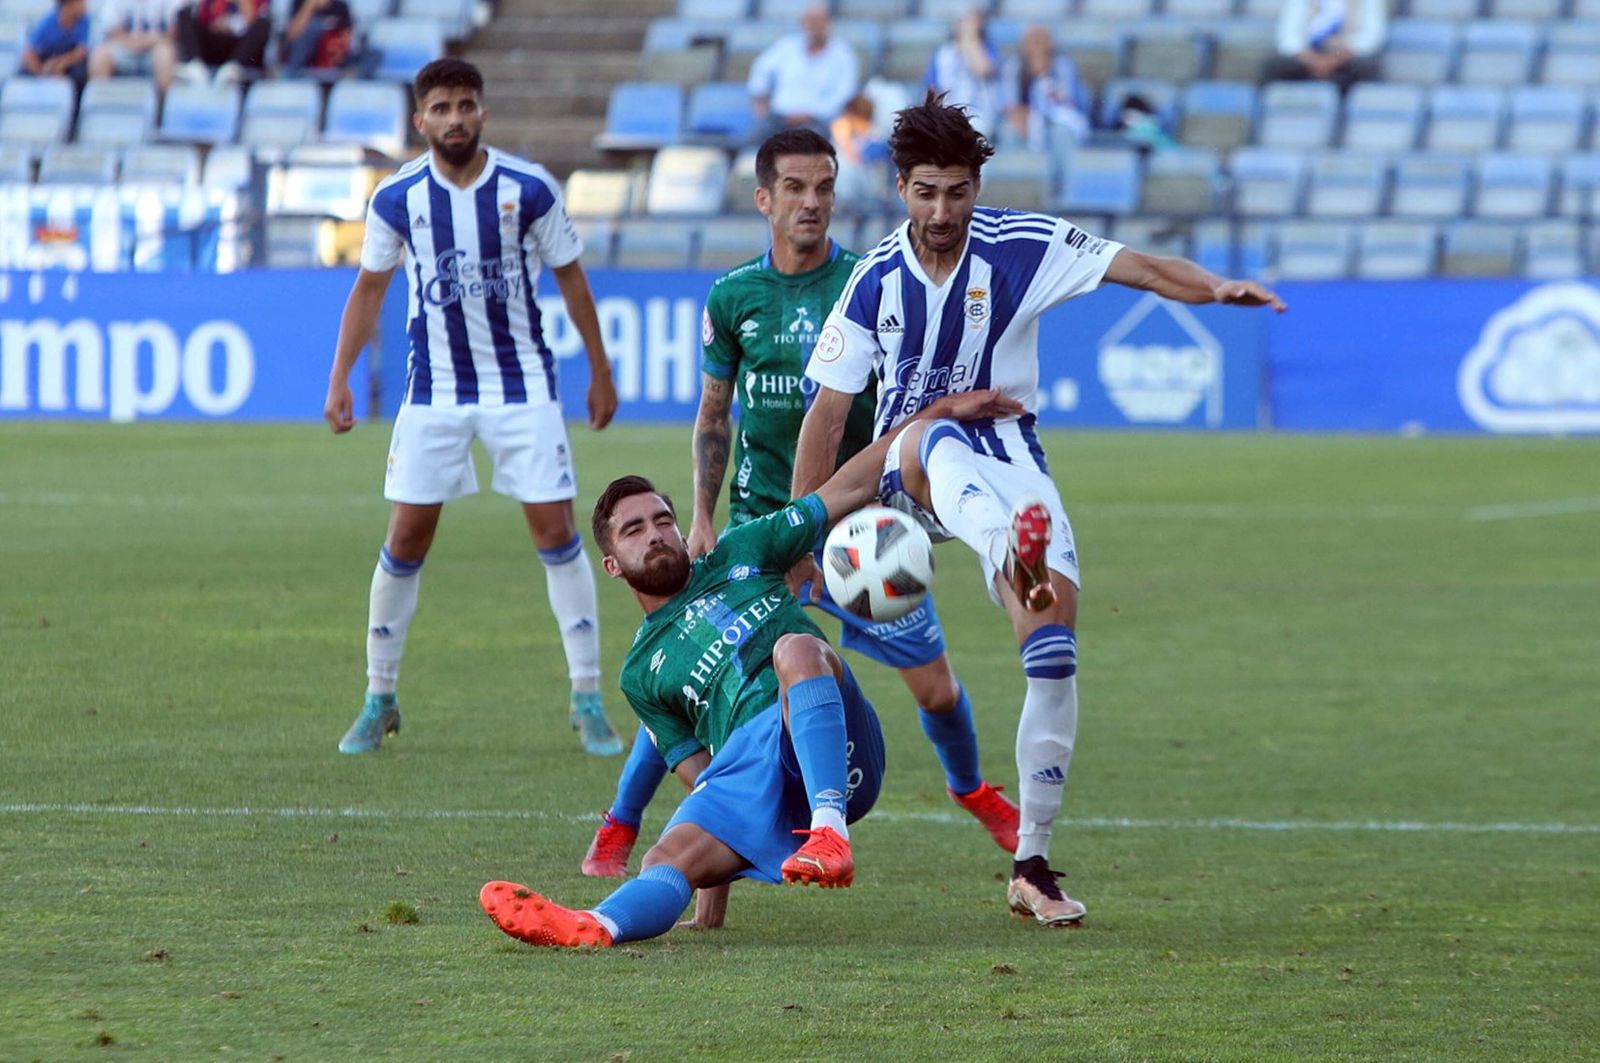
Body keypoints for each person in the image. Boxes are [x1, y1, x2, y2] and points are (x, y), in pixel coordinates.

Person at [793, 91, 1286, 926]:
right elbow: (829, 417)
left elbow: (1142, 267)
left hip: (1014, 456)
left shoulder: (1023, 244)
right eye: (925, 192)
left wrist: (1215, 289)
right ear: (901, 187)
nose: (942, 210)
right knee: (937, 439)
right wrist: (805, 538)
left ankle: (1033, 865)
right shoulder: (876, 278)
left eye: (957, 192)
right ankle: (1007, 553)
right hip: (910, 467)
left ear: (976, 187)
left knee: (1053, 652)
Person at [578, 129, 1022, 885]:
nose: (812, 201)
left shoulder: (871, 281)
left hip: (854, 533)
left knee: (938, 687)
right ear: (765, 199)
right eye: (795, 188)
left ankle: (970, 786)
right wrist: (704, 513)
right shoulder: (734, 296)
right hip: (759, 533)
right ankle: (622, 821)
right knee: (709, 663)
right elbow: (714, 414)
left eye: (823, 187)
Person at [481, 392, 1022, 950]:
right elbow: (709, 782)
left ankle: (830, 831)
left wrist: (932, 418)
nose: (656, 533)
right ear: (613, 564)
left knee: (796, 648)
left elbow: (852, 485)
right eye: (634, 529)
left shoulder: (744, 548)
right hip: (756, 775)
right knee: (664, 859)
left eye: (663, 519)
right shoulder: (640, 673)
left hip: (836, 749)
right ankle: (593, 925)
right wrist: (711, 899)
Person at [323, 58, 625, 759]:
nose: (455, 117)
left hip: (522, 386)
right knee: (406, 539)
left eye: (466, 105)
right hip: (434, 391)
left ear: (482, 113)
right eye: (441, 107)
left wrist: (601, 370)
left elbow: (573, 281)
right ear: (419, 121)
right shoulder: (397, 198)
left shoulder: (529, 189)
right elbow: (368, 290)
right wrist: (341, 375)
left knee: (556, 531)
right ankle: (379, 697)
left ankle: (587, 698)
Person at [746, 3, 858, 141]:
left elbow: (844, 94)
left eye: (818, 20)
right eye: (809, 20)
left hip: (816, 121)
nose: (813, 25)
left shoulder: (843, 55)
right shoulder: (786, 46)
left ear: (828, 23)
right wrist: (760, 100)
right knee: (750, 144)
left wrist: (811, 113)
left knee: (808, 147)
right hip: (779, 117)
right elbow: (761, 69)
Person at [1262, 0, 1386, 93]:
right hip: (1307, 59)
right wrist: (1313, 60)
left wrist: (1333, 60)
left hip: (1344, 60)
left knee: (1367, 67)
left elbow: (1370, 37)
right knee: (1274, 65)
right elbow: (1288, 36)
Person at [1002, 25, 1089, 152]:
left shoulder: (1063, 64)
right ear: (1024, 45)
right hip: (1022, 118)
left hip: (1057, 118)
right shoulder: (1013, 66)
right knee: (1010, 131)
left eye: (1042, 40)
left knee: (1060, 131)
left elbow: (1067, 102)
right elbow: (1010, 104)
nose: (1037, 46)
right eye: (1033, 41)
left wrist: (1042, 74)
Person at [925, 8, 1001, 140]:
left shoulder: (988, 48)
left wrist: (970, 41)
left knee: (974, 130)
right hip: (948, 113)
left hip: (980, 114)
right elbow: (932, 90)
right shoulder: (942, 53)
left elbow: (982, 70)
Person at [87, 0, 177, 94]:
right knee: (100, 56)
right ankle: (102, 104)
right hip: (125, 49)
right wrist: (138, 43)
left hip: (155, 49)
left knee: (164, 55)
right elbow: (112, 32)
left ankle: (162, 105)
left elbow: (173, 32)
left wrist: (143, 42)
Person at [174, 0, 270, 85]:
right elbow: (203, 17)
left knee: (264, 24)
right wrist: (217, 23)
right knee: (184, 14)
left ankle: (232, 68)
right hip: (214, 42)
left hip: (240, 46)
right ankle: (196, 64)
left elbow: (254, 19)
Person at [280, 0, 372, 79]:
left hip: (332, 56)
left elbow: (347, 37)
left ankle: (354, 80)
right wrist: (309, 6)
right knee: (313, 27)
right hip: (307, 57)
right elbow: (291, 36)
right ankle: (291, 75)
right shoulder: (299, 3)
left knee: (373, 54)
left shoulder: (341, 6)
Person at [21, 0, 89, 85]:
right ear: (69, 4)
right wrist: (41, 74)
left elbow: (80, 52)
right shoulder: (48, 22)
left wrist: (58, 64)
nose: (85, 5)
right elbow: (28, 53)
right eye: (81, 2)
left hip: (67, 61)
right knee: (24, 72)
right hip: (46, 60)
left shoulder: (84, 21)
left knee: (80, 72)